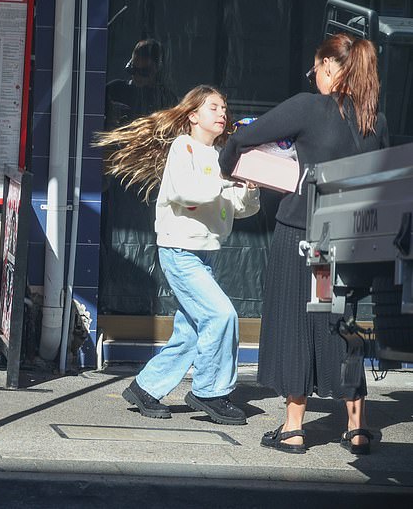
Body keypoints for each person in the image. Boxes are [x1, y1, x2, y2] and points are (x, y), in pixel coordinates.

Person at [218, 33, 389, 454]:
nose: (314, 76)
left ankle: (294, 428)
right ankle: (358, 428)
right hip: (346, 241)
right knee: (339, 326)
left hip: (304, 238)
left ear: (332, 66)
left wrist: (228, 168)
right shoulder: (376, 120)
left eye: (316, 68)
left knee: (297, 324)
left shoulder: (309, 107)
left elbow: (244, 138)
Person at [96, 85, 260, 423]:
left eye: (224, 108)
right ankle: (210, 392)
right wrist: (226, 179)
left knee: (192, 331)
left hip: (203, 254)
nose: (222, 114)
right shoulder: (182, 148)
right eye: (214, 107)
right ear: (193, 116)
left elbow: (236, 209)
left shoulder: (219, 157)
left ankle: (145, 388)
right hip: (180, 251)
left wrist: (250, 190)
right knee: (222, 316)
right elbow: (189, 194)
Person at [100, 39, 178, 315]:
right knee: (111, 240)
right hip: (114, 179)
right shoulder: (115, 91)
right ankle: (111, 300)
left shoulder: (166, 100)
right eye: (133, 70)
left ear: (158, 70)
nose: (137, 78)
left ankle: (142, 304)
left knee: (147, 241)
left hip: (147, 183)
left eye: (143, 73)